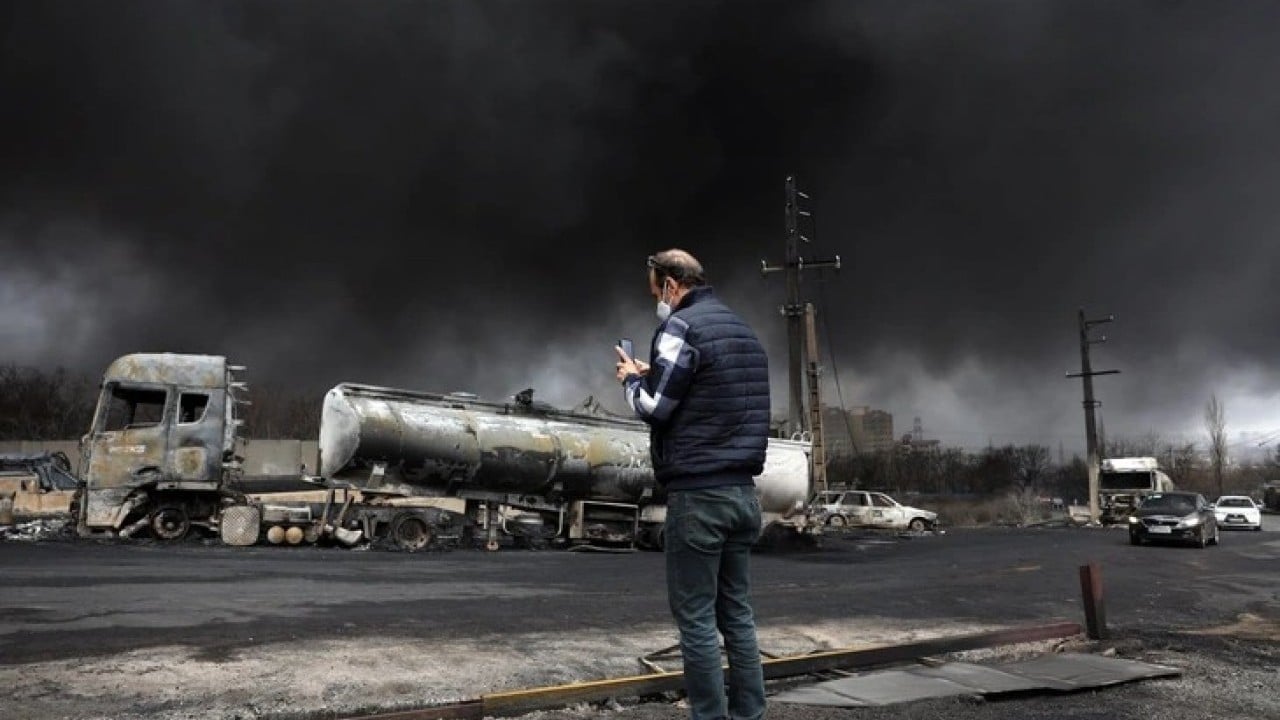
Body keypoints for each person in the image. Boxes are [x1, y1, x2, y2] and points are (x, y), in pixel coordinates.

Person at [615, 248, 770, 720]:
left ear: (670, 285)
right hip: (743, 493)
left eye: (654, 292)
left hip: (699, 496)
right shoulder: (743, 331)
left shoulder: (680, 326)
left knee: (697, 620)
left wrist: (629, 381)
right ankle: (749, 715)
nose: (656, 303)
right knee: (737, 616)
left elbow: (656, 408)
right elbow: (707, 391)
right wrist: (653, 374)